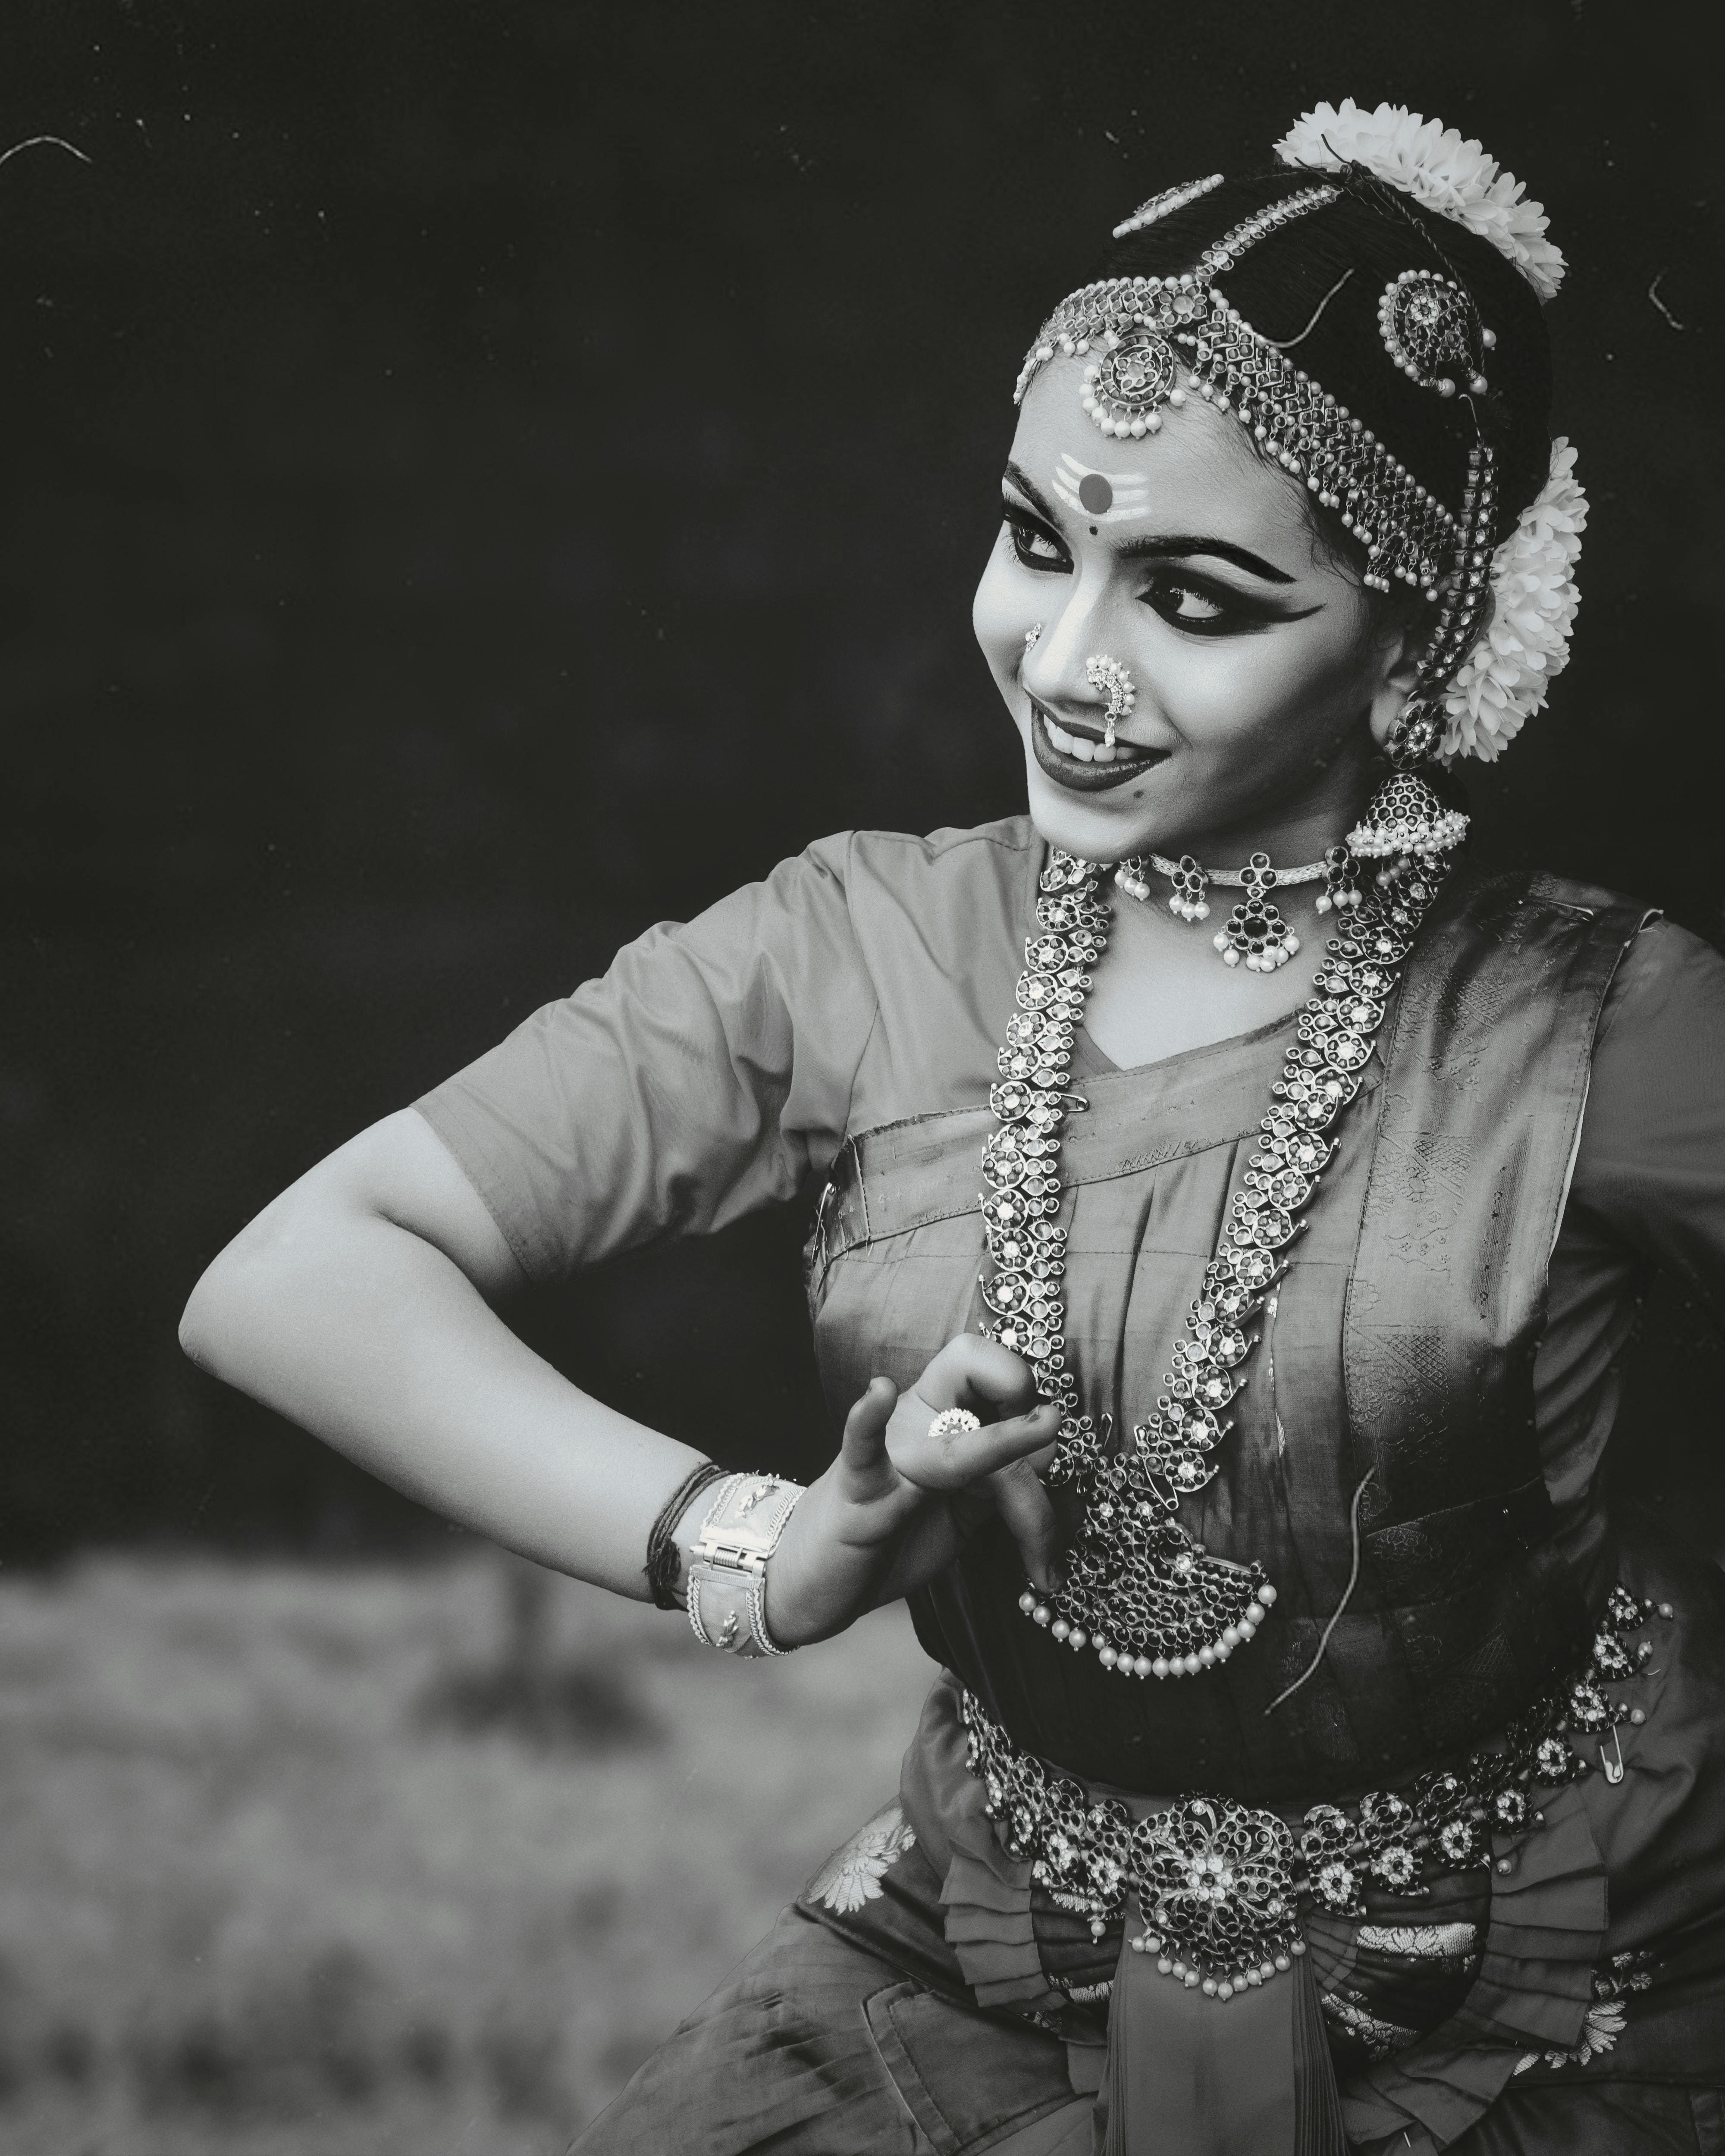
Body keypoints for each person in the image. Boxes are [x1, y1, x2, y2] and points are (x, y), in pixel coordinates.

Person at [179, 98, 1725, 2155]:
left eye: (1194, 594)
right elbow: (292, 1276)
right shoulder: (857, 945)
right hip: (997, 1949)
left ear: (1420, 631)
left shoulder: (1596, 1019)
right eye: (1034, 538)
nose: (1064, 662)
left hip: (1561, 1963)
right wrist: (753, 1550)